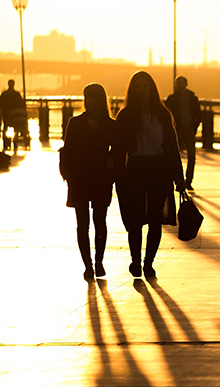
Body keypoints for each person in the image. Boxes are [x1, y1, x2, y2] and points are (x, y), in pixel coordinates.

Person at [116, 71, 185, 278]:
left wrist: (178, 177)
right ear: (133, 90)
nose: (142, 90)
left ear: (152, 89)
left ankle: (149, 263)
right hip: (135, 169)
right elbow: (119, 147)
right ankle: (135, 261)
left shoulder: (163, 115)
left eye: (146, 86)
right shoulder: (126, 115)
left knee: (155, 219)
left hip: (158, 169)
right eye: (138, 86)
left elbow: (172, 148)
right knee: (135, 220)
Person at [60, 83, 120, 280]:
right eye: (86, 97)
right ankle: (88, 265)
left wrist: (111, 170)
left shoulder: (111, 125)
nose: (89, 102)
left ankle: (99, 261)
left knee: (100, 222)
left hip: (101, 179)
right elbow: (67, 150)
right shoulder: (75, 123)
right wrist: (67, 174)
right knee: (82, 224)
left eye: (92, 97)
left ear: (100, 100)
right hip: (79, 179)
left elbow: (119, 151)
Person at [165, 76, 202, 191]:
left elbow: (199, 114)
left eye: (181, 84)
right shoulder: (172, 99)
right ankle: (176, 180)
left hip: (189, 131)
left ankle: (188, 181)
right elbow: (167, 115)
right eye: (177, 84)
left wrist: (194, 128)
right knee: (175, 156)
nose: (179, 86)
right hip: (177, 132)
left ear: (186, 84)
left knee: (192, 156)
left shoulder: (193, 98)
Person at [0, 79, 28, 150]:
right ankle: (12, 142)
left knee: (8, 128)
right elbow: (20, 104)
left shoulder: (5, 94)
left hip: (10, 114)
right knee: (15, 128)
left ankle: (8, 142)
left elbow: (0, 104)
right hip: (12, 114)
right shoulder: (16, 94)